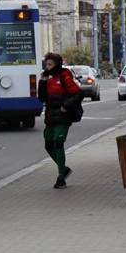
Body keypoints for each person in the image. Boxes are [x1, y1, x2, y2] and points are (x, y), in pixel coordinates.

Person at [37, 52, 82, 189]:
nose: (47, 67)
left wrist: (65, 106)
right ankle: (64, 169)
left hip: (63, 116)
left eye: (50, 64)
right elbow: (42, 98)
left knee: (58, 143)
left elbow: (79, 94)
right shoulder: (47, 78)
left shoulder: (64, 76)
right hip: (50, 116)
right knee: (48, 145)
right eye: (46, 64)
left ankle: (61, 178)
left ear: (57, 64)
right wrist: (42, 82)